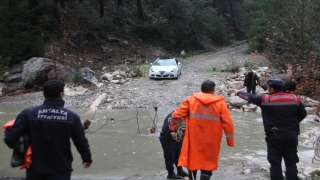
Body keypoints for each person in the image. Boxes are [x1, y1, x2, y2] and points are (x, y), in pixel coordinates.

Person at [4, 80, 92, 180]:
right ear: (61, 94)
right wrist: (87, 158)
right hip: (61, 167)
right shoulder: (71, 117)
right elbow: (80, 141)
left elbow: (9, 139)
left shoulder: (28, 113)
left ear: (44, 94)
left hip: (35, 167)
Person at [233, 78, 307, 180]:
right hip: (291, 135)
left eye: (268, 87)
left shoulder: (265, 99)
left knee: (275, 163)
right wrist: (294, 124)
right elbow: (303, 114)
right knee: (291, 162)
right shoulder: (295, 99)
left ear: (272, 89)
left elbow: (249, 97)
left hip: (274, 135)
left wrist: (238, 92)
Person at [170, 80, 235, 180]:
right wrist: (230, 141)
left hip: (193, 138)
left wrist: (173, 128)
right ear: (213, 90)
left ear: (201, 89)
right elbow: (228, 123)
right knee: (208, 163)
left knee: (193, 160)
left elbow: (176, 115)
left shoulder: (191, 100)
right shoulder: (220, 104)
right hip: (211, 140)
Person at [159, 113, 189, 179]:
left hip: (175, 135)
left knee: (178, 153)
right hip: (167, 136)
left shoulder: (183, 116)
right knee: (169, 155)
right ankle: (170, 173)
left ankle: (180, 170)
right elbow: (171, 129)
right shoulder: (174, 116)